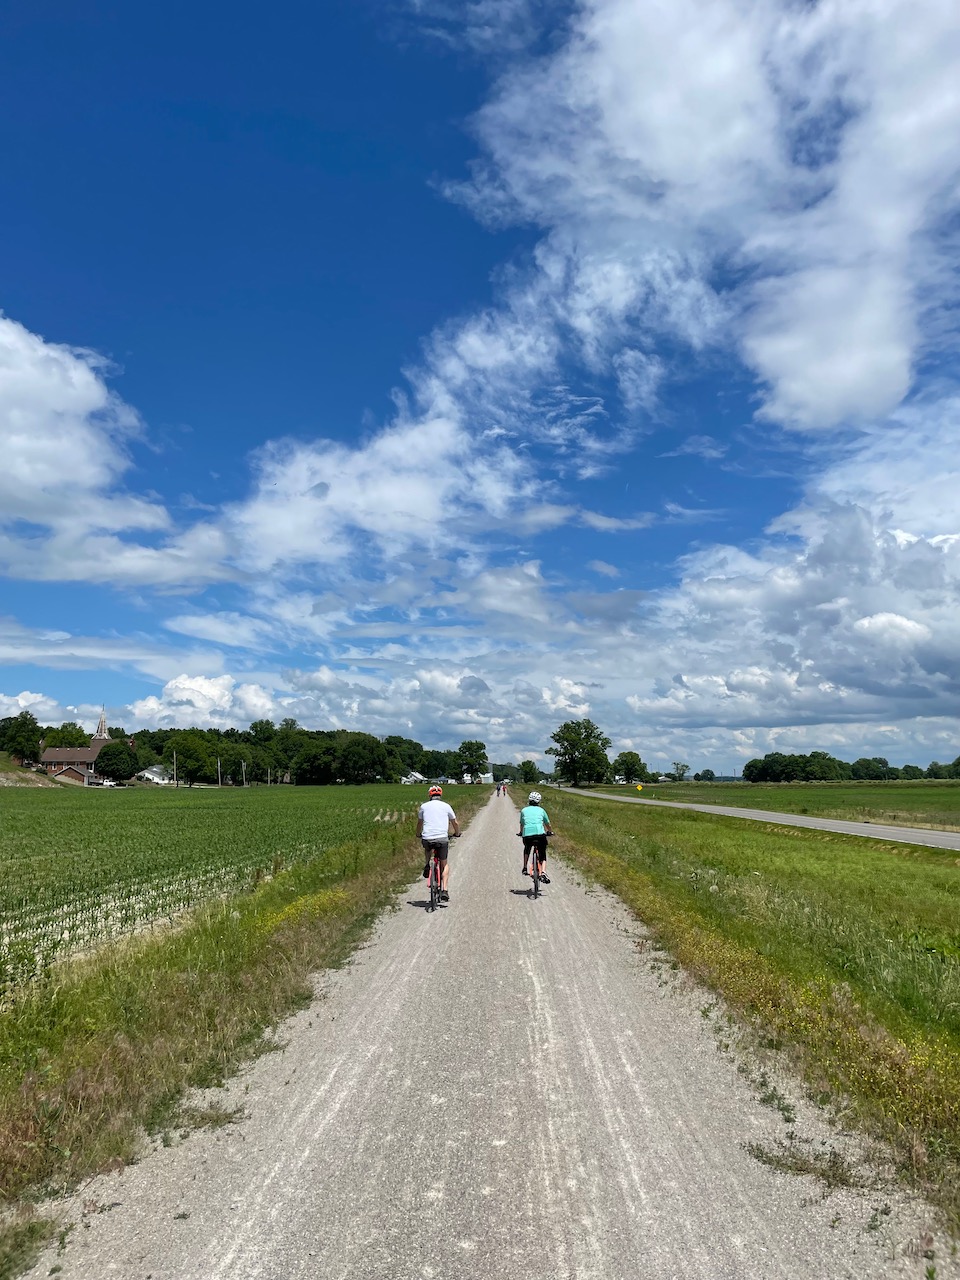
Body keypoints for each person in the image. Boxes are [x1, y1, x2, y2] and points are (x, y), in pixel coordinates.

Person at [417, 784, 460, 902]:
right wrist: (457, 833)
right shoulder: (446, 806)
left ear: (429, 795)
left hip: (427, 837)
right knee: (444, 864)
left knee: (427, 848)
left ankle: (427, 864)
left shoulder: (424, 806)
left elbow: (419, 823)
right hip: (442, 838)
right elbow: (455, 822)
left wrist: (418, 834)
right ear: (440, 795)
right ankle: (444, 890)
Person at [518, 791, 553, 882]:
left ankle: (525, 867)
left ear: (529, 800)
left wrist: (521, 832)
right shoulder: (541, 810)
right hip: (540, 834)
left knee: (527, 848)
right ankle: (543, 872)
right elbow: (547, 823)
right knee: (542, 853)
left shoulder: (524, 810)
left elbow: (522, 823)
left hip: (527, 835)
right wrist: (550, 831)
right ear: (539, 801)